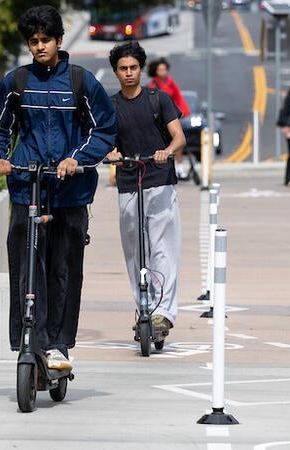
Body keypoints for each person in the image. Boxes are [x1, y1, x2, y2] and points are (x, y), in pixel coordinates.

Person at [0, 5, 117, 370]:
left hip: (71, 191)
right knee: (25, 266)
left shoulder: (81, 82)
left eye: (45, 40)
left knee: (64, 268)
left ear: (59, 40)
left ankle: (58, 345)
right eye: (33, 41)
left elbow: (103, 128)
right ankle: (31, 340)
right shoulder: (17, 82)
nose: (39, 47)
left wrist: (76, 159)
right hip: (28, 185)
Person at [105, 42, 186, 339]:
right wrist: (112, 153)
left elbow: (178, 137)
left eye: (133, 68)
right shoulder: (111, 106)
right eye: (123, 69)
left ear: (141, 68)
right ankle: (144, 308)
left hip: (160, 179)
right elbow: (107, 141)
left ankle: (163, 313)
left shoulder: (158, 100)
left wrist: (167, 150)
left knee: (163, 247)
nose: (128, 73)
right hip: (128, 181)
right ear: (116, 72)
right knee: (134, 250)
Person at [146, 57, 191, 178]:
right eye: (160, 70)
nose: (163, 72)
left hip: (170, 117)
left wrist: (184, 112)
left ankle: (180, 168)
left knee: (177, 142)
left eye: (164, 69)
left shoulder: (171, 83)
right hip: (158, 120)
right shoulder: (152, 85)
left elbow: (178, 98)